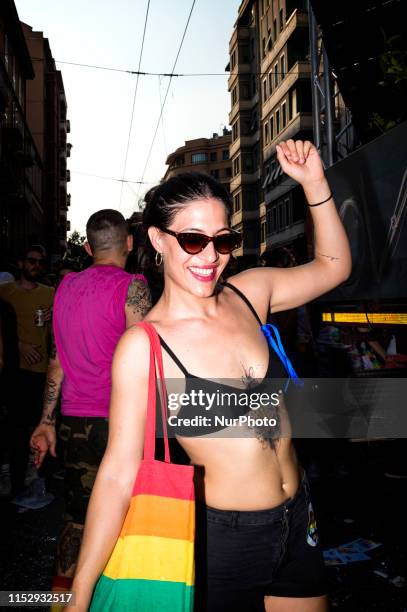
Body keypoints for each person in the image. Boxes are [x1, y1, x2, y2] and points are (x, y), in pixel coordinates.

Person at [69, 141, 351, 612]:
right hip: (220, 538)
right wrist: (78, 598)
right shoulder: (144, 346)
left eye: (223, 240)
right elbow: (118, 472)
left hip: (298, 514)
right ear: (158, 240)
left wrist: (315, 184)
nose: (211, 256)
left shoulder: (250, 293)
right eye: (193, 240)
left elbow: (334, 267)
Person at [29, 210, 151, 597]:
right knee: (126, 518)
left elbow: (56, 360)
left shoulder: (64, 289)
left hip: (73, 419)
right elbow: (145, 357)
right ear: (129, 242)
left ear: (87, 247)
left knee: (77, 517)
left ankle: (63, 601)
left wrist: (46, 421)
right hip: (121, 424)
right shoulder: (135, 286)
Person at [0, 245, 54, 495]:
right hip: (11, 370)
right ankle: (9, 473)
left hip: (41, 372)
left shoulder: (50, 293)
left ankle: (33, 471)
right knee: (11, 426)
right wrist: (19, 345)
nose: (37, 266)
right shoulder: (5, 292)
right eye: (32, 261)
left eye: (41, 262)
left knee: (36, 424)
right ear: (21, 263)